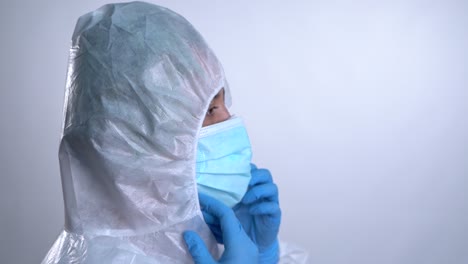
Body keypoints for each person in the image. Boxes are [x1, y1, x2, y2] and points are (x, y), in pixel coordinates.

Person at [42, 2, 306, 263]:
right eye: (210, 109)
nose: (230, 120)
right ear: (134, 145)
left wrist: (265, 255)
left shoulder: (194, 245)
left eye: (225, 103)